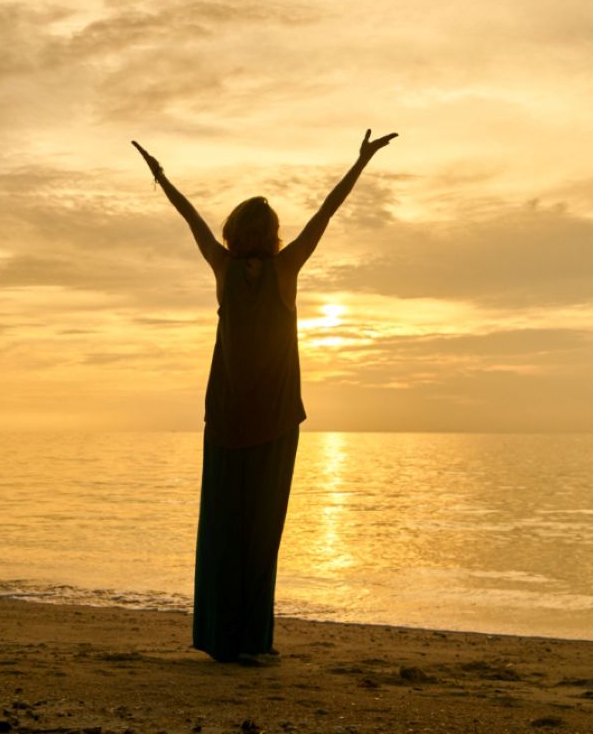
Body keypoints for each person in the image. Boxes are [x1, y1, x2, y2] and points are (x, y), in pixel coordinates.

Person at [132, 129, 398, 664]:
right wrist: (360, 162)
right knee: (260, 534)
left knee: (222, 530)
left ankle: (220, 639)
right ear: (274, 234)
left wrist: (161, 177)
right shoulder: (285, 270)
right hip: (275, 422)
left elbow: (191, 220)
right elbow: (326, 214)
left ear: (234, 232)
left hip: (227, 421)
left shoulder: (223, 268)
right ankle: (252, 641)